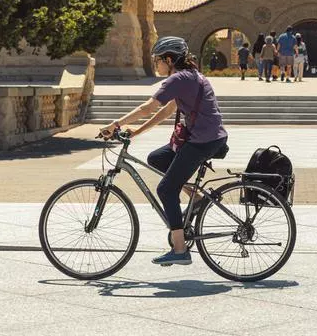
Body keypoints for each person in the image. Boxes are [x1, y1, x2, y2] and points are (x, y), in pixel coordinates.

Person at [98, 36, 228, 267]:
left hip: (203, 141)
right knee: (157, 159)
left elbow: (147, 107)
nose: (155, 64)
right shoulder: (189, 76)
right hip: (207, 136)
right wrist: (137, 131)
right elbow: (167, 111)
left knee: (166, 189)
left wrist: (115, 124)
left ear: (169, 59)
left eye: (157, 60)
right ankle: (197, 199)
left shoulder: (178, 79)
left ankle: (180, 250)